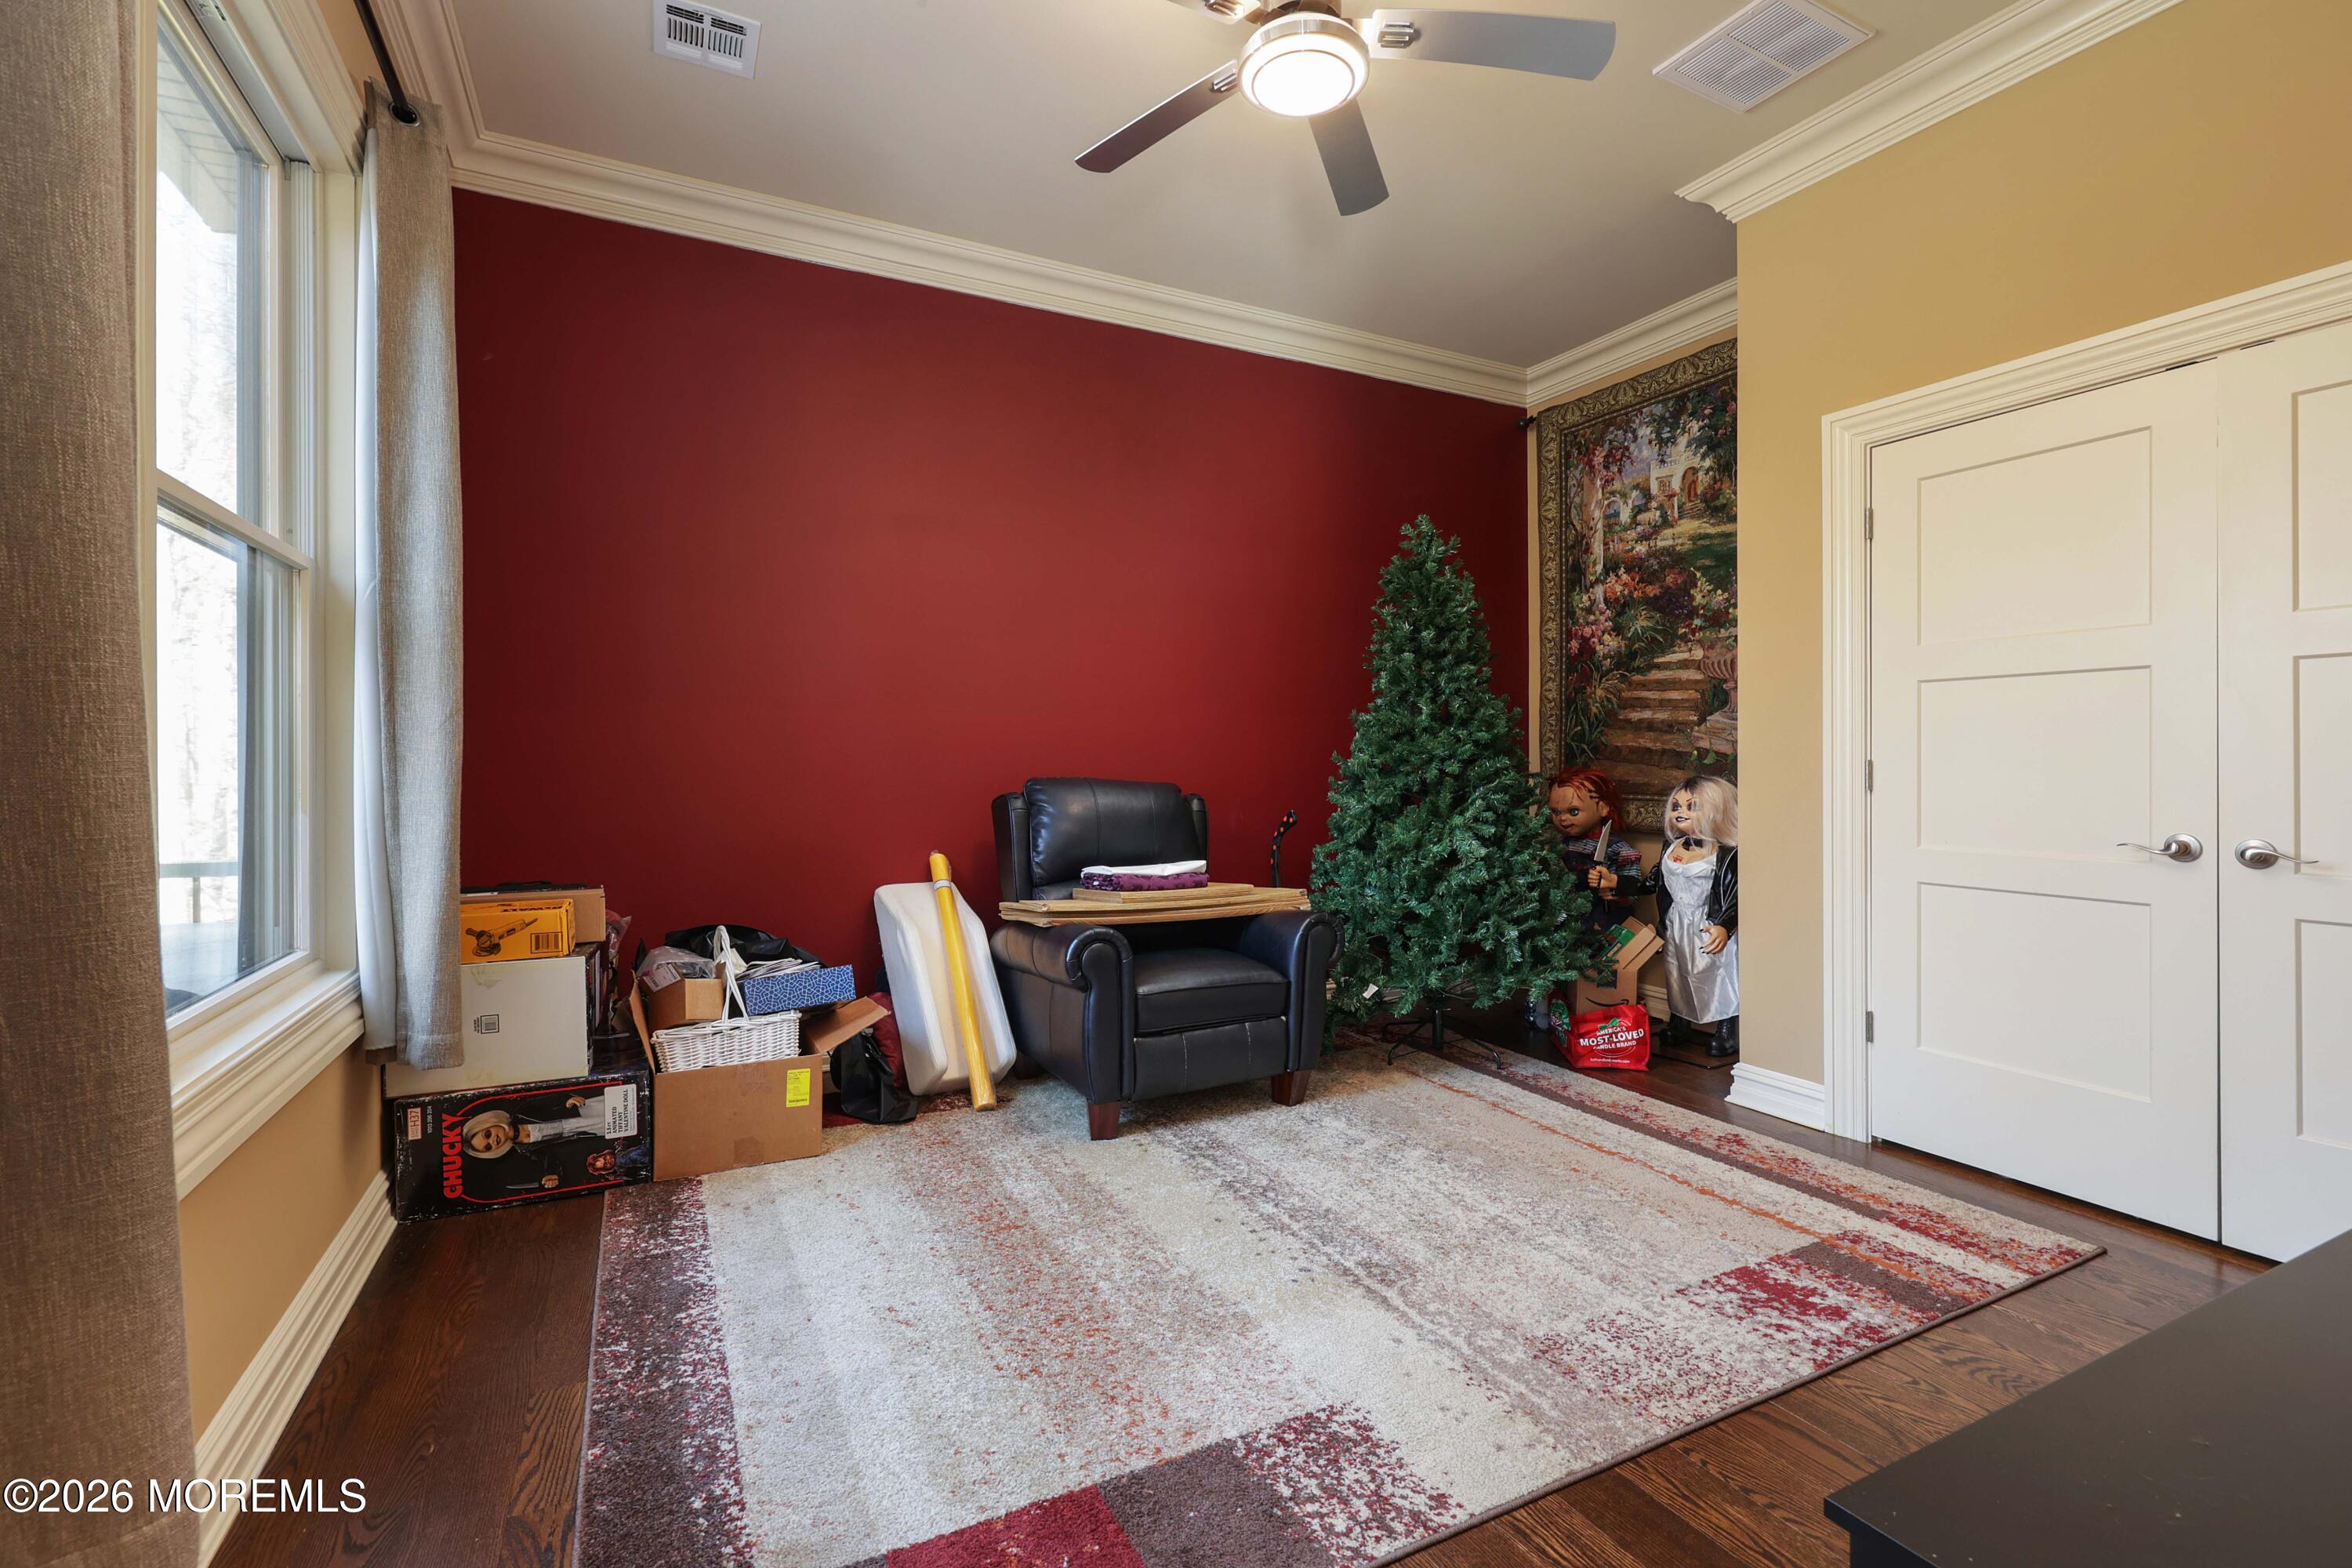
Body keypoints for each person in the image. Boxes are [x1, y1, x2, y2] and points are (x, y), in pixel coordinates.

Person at [1642, 775, 1739, 1057]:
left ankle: (1728, 1029)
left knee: (1718, 975)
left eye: (1692, 806)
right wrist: (1617, 884)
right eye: (1676, 806)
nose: (1680, 812)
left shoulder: (1727, 854)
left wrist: (1725, 926)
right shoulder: (1671, 847)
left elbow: (1735, 896)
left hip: (1707, 924)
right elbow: (1654, 881)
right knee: (1677, 973)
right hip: (1676, 922)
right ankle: (1680, 1020)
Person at [1547, 766, 1645, 931]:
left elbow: (1634, 885)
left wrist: (1612, 885)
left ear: (1603, 808)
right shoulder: (1562, 845)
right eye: (1556, 812)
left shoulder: (1617, 848)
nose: (1562, 818)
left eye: (1573, 811)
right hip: (1567, 920)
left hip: (1603, 921)